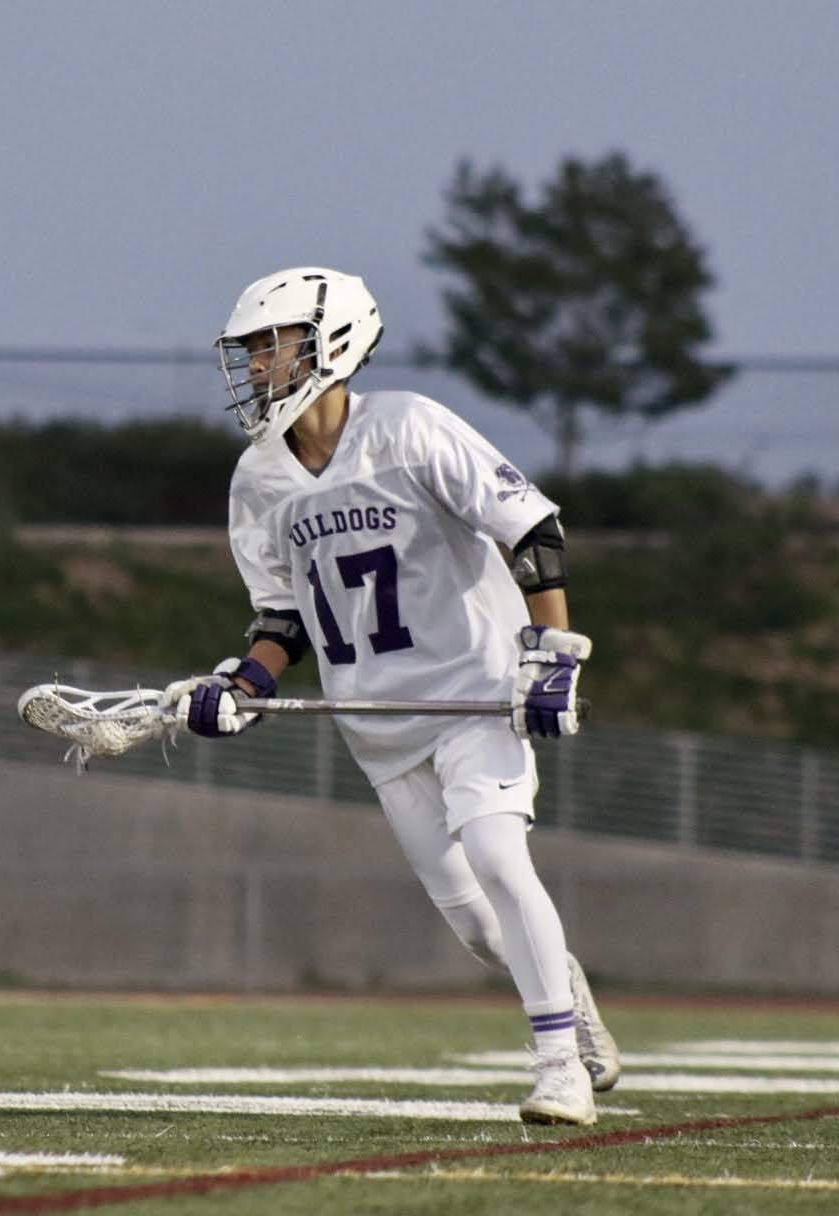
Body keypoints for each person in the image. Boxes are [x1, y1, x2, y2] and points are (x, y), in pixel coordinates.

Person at [164, 267, 619, 1125]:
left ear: (328, 340)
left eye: (273, 342)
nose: (258, 365)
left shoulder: (408, 427)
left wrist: (553, 652)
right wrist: (244, 683)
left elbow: (530, 526)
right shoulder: (258, 479)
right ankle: (568, 993)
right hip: (378, 727)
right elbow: (283, 616)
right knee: (481, 931)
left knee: (498, 856)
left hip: (473, 695)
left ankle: (557, 1063)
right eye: (251, 349)